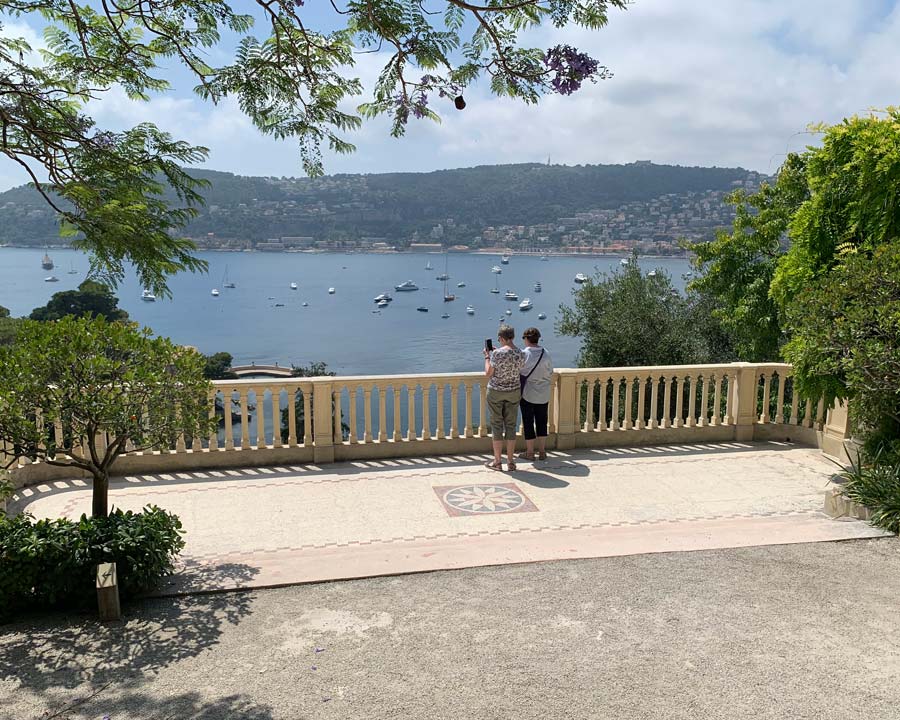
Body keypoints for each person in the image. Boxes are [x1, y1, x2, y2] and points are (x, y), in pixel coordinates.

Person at [483, 324, 525, 471]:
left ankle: (497, 461)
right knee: (511, 426)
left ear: (500, 338)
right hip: (514, 391)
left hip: (496, 392)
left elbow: (488, 373)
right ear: (512, 337)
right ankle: (511, 462)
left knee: (496, 426)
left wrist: (488, 357)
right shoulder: (521, 353)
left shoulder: (496, 354)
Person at [519, 327, 553, 461]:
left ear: (526, 339)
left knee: (528, 422)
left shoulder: (524, 354)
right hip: (543, 393)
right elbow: (550, 371)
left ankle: (530, 452)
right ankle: (542, 451)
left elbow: (519, 371)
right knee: (542, 422)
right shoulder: (546, 353)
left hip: (528, 393)